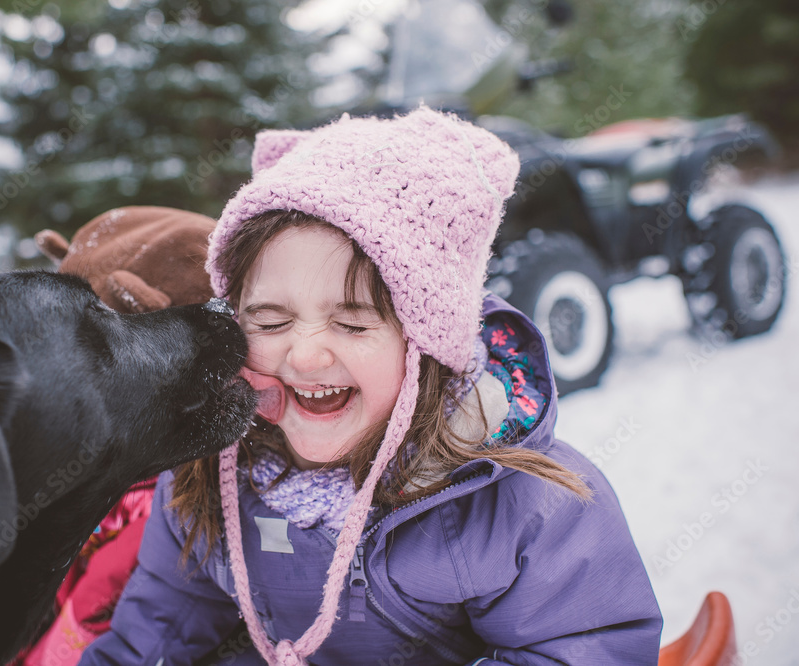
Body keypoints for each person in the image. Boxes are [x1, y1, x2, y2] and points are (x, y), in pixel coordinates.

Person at [79, 107, 662, 665]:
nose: (304, 355)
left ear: (428, 344)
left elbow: (583, 646)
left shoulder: (521, 503)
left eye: (353, 323)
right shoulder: (214, 474)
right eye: (272, 321)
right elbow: (166, 614)